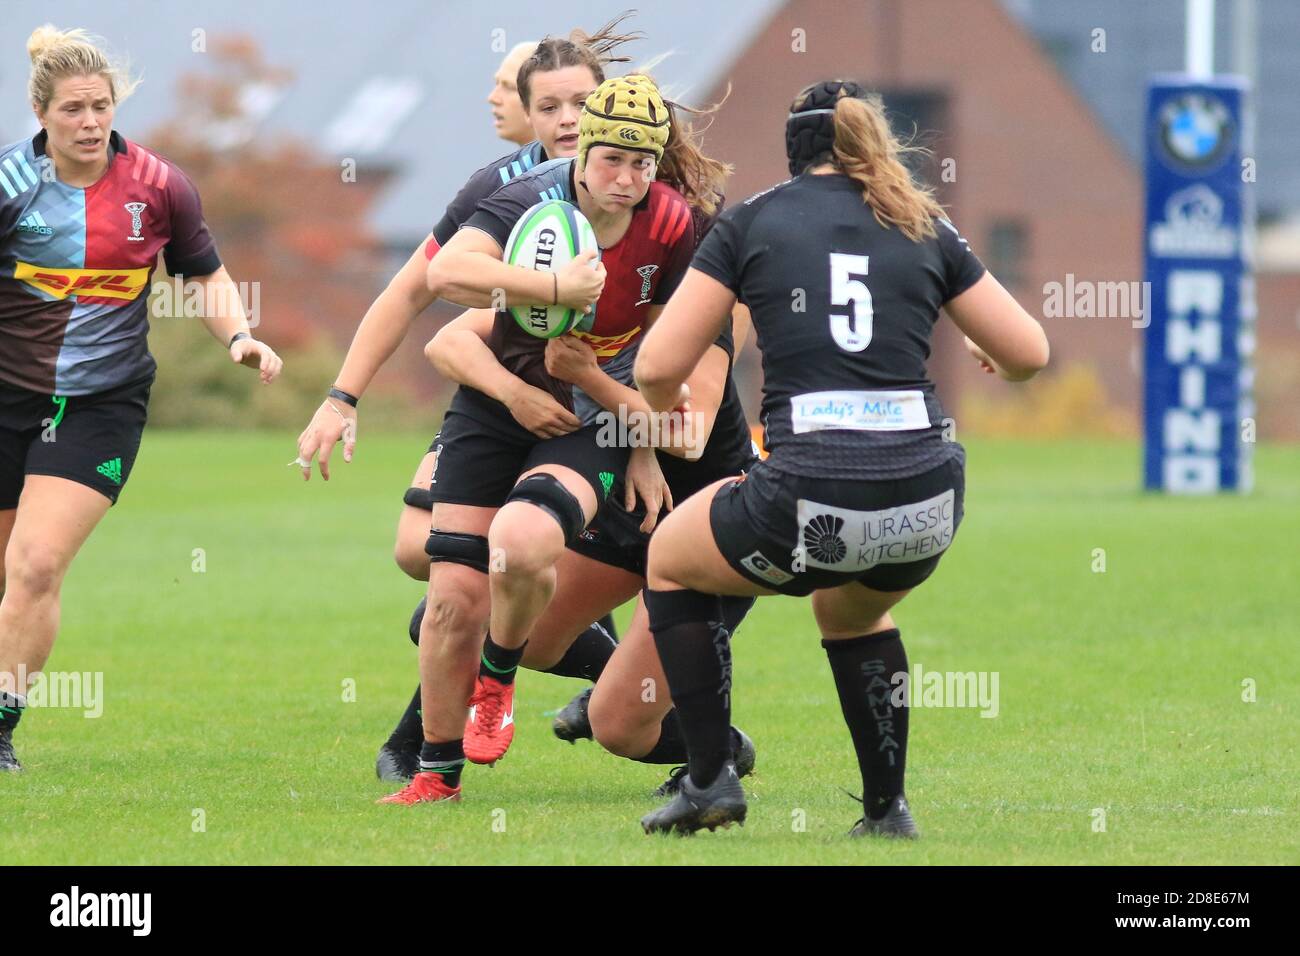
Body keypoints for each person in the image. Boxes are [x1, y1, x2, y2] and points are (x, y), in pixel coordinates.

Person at [631, 80, 1050, 836]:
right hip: (927, 502)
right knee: (852, 610)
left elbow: (659, 370)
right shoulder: (923, 220)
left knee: (668, 558)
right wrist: (991, 354)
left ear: (794, 149)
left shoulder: (753, 220)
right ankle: (888, 811)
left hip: (808, 490)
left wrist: (653, 423)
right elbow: (1029, 354)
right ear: (870, 139)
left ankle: (709, 780)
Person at [291, 19, 642, 781]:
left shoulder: (643, 185)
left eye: (580, 102)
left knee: (507, 563)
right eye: (547, 104)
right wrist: (341, 396)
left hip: (605, 413)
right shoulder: (499, 190)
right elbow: (412, 293)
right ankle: (590, 666)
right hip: (501, 403)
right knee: (426, 554)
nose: (566, 120)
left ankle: (430, 741)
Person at [379, 73, 696, 806]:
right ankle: (436, 775)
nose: (627, 179)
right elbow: (449, 271)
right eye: (613, 159)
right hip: (496, 408)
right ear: (583, 151)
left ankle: (498, 674)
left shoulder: (672, 225)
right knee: (451, 597)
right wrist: (553, 291)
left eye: (643, 163)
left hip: (588, 419)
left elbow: (662, 355)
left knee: (521, 546)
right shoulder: (533, 195)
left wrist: (643, 444)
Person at [0, 25, 283, 771]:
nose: (90, 122)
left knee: (34, 566)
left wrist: (238, 338)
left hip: (101, 406)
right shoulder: (8, 186)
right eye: (73, 110)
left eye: (101, 106)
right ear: (42, 115)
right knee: (6, 576)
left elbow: (205, 275)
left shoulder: (160, 186)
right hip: (7, 399)